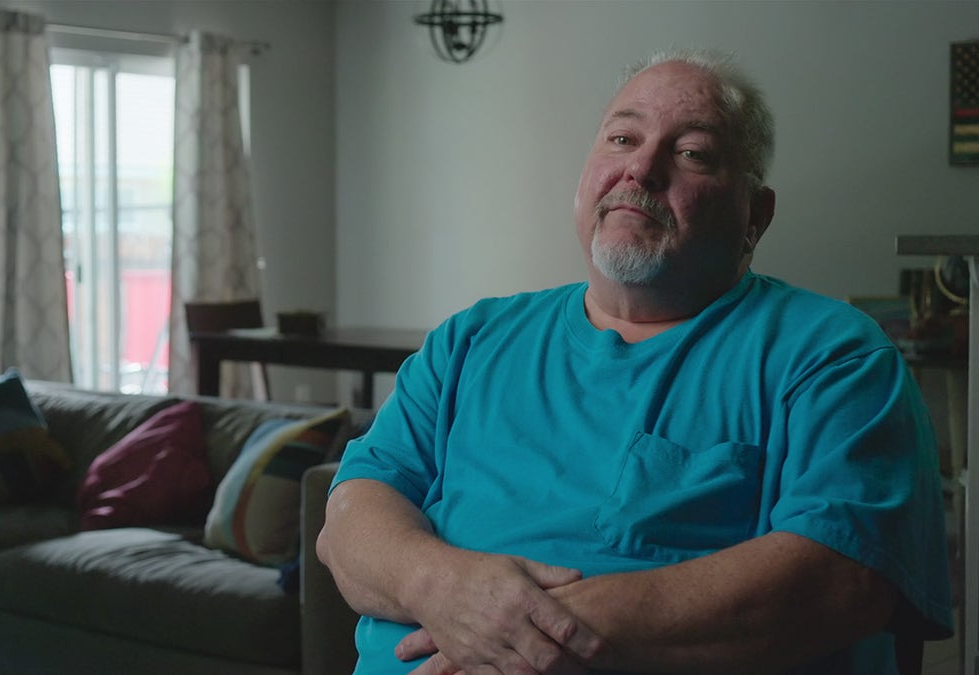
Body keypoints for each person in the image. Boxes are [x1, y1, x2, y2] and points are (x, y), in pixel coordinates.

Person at [316, 48, 954, 675]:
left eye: (692, 153)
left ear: (755, 217)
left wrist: (519, 636)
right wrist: (446, 591)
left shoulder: (834, 355)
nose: (642, 169)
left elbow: (840, 580)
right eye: (622, 138)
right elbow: (350, 524)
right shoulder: (470, 339)